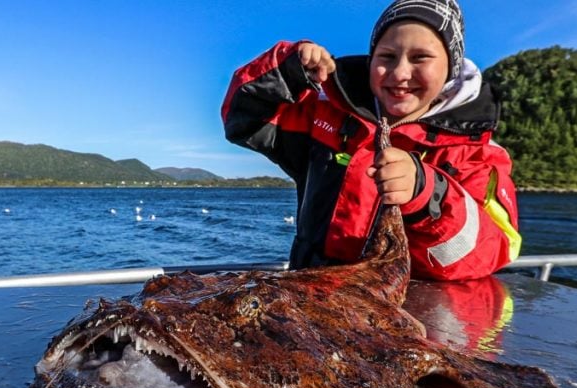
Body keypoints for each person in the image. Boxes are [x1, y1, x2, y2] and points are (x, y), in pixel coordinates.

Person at [221, 0, 521, 280]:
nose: (400, 73)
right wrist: (287, 71)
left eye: (421, 58)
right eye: (387, 56)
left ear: (451, 69)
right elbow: (241, 120)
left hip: (410, 317)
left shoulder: (477, 154)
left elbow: (493, 251)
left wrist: (428, 193)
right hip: (312, 300)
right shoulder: (324, 114)